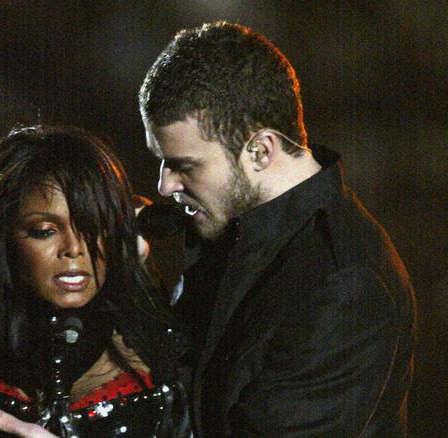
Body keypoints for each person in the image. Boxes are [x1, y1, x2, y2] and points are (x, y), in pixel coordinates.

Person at [137, 22, 416, 437]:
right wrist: (137, 279)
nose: (165, 185)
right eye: (162, 162)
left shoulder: (344, 286)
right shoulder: (231, 223)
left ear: (261, 150)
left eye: (183, 165)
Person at [0, 125, 189, 437]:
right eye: (44, 231)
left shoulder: (167, 356)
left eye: (95, 226)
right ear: (1, 238)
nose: (74, 249)